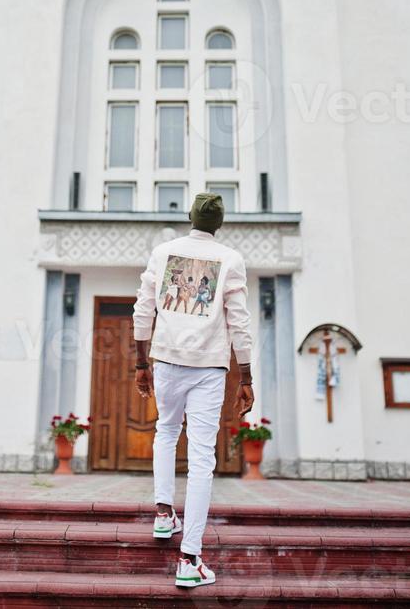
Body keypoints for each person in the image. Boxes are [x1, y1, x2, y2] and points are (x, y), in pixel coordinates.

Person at [132, 192, 254, 588]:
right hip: (208, 367)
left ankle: (164, 513)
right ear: (219, 223)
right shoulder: (230, 259)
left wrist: (140, 361)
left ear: (190, 217)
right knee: (202, 459)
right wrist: (247, 377)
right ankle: (189, 558)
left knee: (166, 432)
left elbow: (143, 308)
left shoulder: (163, 252)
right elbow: (239, 321)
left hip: (166, 360)